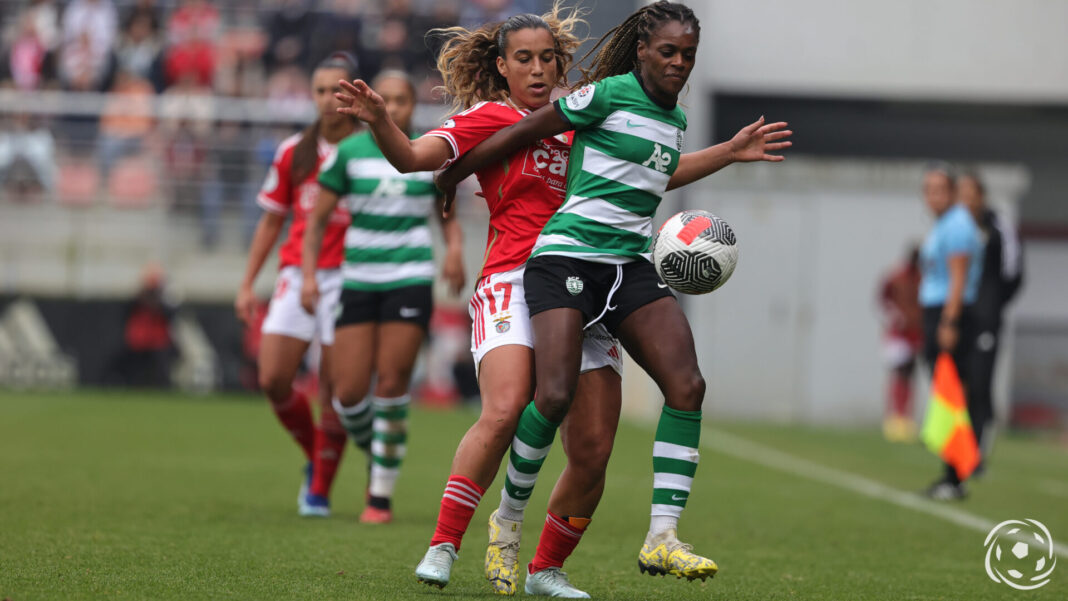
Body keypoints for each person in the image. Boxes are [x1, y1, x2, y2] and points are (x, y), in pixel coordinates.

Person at [435, 0, 791, 586]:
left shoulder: (672, 118)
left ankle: (660, 538)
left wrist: (727, 152)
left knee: (683, 386)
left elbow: (660, 172)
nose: (679, 63)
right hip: (567, 258)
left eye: (689, 55)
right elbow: (526, 128)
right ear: (644, 51)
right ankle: (506, 521)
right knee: (548, 398)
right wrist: (451, 175)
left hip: (628, 265)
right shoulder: (604, 95)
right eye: (669, 51)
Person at [335, 6, 627, 597]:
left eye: (548, 58)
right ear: (501, 65)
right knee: (504, 408)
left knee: (593, 448)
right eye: (524, 59)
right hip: (514, 280)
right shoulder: (489, 117)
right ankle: (443, 544)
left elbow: (649, 174)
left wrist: (726, 151)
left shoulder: (583, 118)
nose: (539, 69)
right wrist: (378, 122)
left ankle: (546, 571)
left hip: (586, 281)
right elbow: (416, 159)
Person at [301, 70, 466, 524]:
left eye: (401, 100)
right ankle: (381, 452)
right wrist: (309, 277)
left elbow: (447, 215)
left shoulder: (430, 152)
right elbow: (316, 223)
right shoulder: (347, 154)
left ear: (413, 106)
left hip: (410, 277)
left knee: (392, 384)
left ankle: (379, 497)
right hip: (357, 279)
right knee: (349, 395)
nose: (391, 107)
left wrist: (454, 251)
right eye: (384, 99)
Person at [234, 53, 359, 517]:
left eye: (338, 90)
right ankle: (316, 455)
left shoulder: (372, 149)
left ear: (353, 93)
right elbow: (271, 223)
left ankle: (320, 490)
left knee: (334, 387)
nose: (329, 99)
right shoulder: (294, 151)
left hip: (350, 277)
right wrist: (247, 284)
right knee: (273, 378)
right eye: (321, 90)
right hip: (296, 275)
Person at [916, 164, 983, 500]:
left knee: (952, 395)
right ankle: (951, 475)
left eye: (939, 189)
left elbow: (958, 279)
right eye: (927, 189)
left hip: (948, 314)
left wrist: (949, 322)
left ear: (953, 192)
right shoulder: (944, 224)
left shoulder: (957, 225)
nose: (932, 196)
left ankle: (955, 477)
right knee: (945, 395)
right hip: (937, 311)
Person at [956, 170, 1023, 473]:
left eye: (972, 193)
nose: (966, 200)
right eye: (962, 193)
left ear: (981, 196)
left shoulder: (998, 224)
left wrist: (992, 304)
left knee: (981, 383)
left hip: (986, 318)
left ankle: (978, 453)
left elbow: (1014, 271)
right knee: (959, 383)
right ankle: (958, 447)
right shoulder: (954, 226)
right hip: (959, 318)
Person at [878, 245, 923, 442]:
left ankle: (905, 418)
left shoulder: (922, 278)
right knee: (898, 373)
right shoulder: (896, 277)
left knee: (910, 374)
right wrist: (895, 315)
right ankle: (894, 418)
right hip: (898, 334)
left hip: (915, 333)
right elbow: (883, 299)